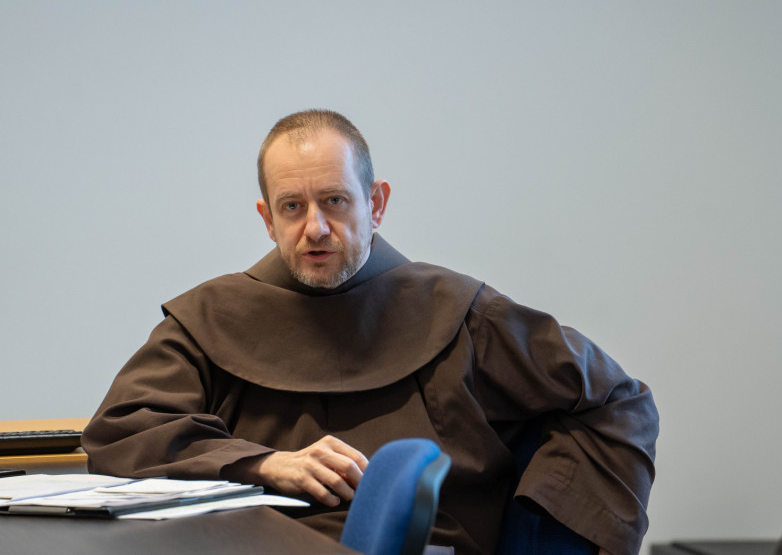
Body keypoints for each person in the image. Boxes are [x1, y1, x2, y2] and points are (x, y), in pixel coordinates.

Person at [82, 109, 659, 555]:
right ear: (267, 219)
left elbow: (618, 400)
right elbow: (123, 431)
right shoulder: (208, 318)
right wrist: (262, 463)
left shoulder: (462, 313)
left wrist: (542, 539)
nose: (315, 227)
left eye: (334, 201)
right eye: (292, 207)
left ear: (375, 203)